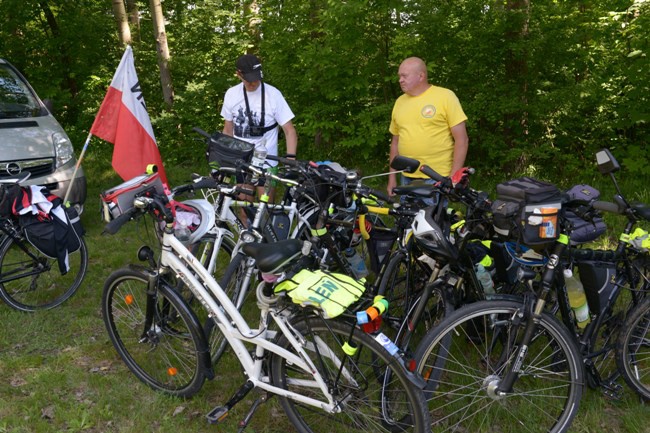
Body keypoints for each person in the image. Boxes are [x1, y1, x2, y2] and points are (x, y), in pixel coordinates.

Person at [387, 57, 469, 201]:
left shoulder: (445, 96)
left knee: (432, 222)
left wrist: (453, 177)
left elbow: (461, 139)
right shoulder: (400, 102)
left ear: (421, 76)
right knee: (406, 220)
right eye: (399, 76)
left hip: (436, 178)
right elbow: (395, 142)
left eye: (404, 76)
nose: (400, 80)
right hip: (406, 176)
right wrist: (391, 177)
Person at [220, 54, 298, 201]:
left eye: (256, 78)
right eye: (249, 79)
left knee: (266, 206)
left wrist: (290, 161)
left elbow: (289, 130)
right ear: (238, 74)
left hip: (267, 161)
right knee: (243, 207)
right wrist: (225, 158)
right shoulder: (231, 94)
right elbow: (228, 129)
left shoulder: (273, 95)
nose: (253, 83)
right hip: (241, 160)